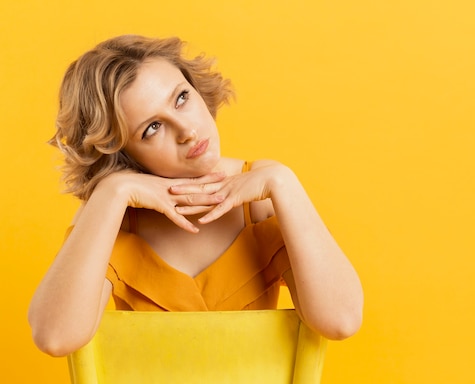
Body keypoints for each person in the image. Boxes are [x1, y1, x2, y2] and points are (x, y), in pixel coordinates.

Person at [28, 34, 363, 357]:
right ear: (125, 155)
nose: (187, 131)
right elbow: (56, 337)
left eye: (181, 98)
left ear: (196, 88)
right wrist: (112, 191)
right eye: (152, 128)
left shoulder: (261, 195)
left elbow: (341, 320)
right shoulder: (115, 215)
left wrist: (283, 182)